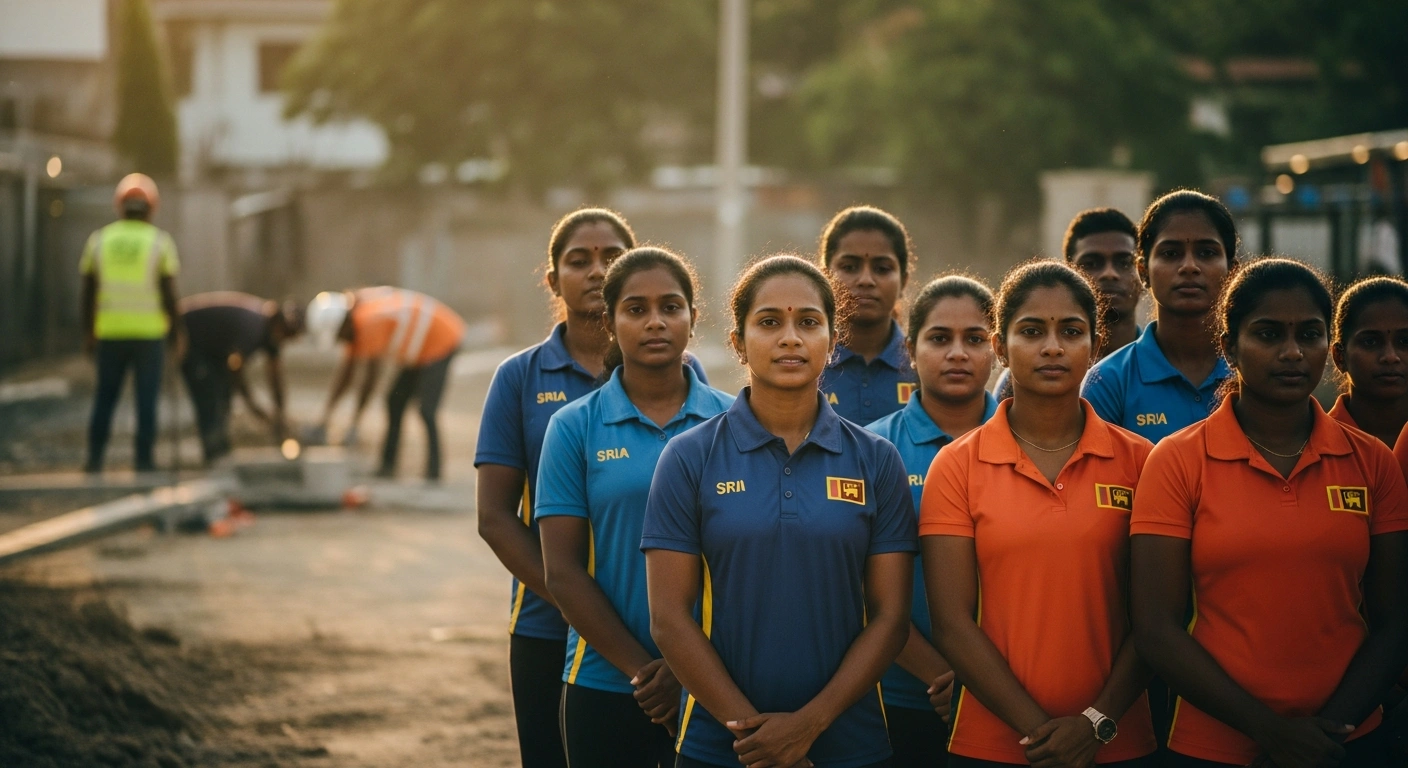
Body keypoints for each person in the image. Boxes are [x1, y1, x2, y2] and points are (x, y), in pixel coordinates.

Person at [1131, 258, 1408, 768]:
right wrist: (1270, 732)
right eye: (1267, 334)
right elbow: (1155, 626)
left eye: (1309, 334)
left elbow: (1394, 620)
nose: (1292, 352)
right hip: (1213, 747)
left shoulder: (1372, 463)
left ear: (1330, 346)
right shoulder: (1176, 460)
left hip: (1348, 743)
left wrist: (1327, 735)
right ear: (1230, 347)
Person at [644, 255, 916, 768]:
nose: (790, 337)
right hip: (720, 746)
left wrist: (807, 727)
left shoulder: (877, 460)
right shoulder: (689, 457)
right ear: (738, 341)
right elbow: (669, 620)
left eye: (808, 322)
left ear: (833, 340)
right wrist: (756, 739)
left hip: (848, 743)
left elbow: (891, 617)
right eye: (769, 322)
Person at [474, 210, 705, 768]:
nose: (596, 271)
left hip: (679, 640)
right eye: (579, 260)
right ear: (553, 280)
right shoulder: (521, 377)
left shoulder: (685, 378)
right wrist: (586, 601)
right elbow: (496, 517)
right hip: (551, 622)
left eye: (611, 259)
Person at [921, 260, 1158, 767]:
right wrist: (1043, 735)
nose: (1052, 347)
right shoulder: (957, 465)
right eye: (1032, 331)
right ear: (1000, 346)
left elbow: (1156, 619)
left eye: (1071, 332)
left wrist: (1094, 726)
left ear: (1094, 347)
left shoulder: (1142, 462)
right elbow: (952, 623)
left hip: (1119, 742)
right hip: (992, 745)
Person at [536, 248, 732, 768]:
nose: (655, 323)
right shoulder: (574, 427)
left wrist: (684, 667)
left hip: (722, 683)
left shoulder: (736, 421)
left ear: (693, 318)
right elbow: (562, 572)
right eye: (635, 309)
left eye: (671, 307)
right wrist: (646, 672)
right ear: (610, 320)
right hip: (606, 680)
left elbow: (751, 563)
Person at [865, 275, 998, 766]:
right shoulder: (871, 451)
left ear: (996, 348)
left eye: (975, 339)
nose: (958, 353)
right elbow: (860, 584)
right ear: (911, 350)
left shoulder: (1028, 446)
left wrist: (984, 681)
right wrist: (943, 675)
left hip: (1016, 698)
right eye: (940, 339)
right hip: (899, 698)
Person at [1082, 191, 1239, 444]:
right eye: (1170, 253)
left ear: (1232, 272)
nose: (1189, 266)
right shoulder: (1110, 382)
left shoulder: (1252, 373)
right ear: (1142, 272)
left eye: (1207, 252)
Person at [307, 286, 465, 480]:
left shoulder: (367, 323)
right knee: (394, 402)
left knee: (427, 410)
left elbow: (369, 380)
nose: (341, 341)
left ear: (342, 325)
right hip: (419, 349)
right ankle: (388, 465)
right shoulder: (358, 311)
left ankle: (434, 472)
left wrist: (355, 423)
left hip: (441, 341)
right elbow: (346, 375)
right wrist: (325, 417)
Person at [81, 174, 181, 474]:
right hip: (149, 335)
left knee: (105, 397)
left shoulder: (99, 241)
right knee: (146, 400)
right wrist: (177, 333)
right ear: (151, 208)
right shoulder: (159, 243)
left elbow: (87, 292)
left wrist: (88, 332)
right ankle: (144, 461)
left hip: (109, 333)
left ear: (120, 207)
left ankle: (95, 460)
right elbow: (169, 293)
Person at [993, 208, 1142, 399]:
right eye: (1091, 263)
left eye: (1124, 262)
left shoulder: (1163, 364)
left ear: (1143, 272)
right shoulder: (1018, 382)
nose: (1109, 273)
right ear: (1070, 274)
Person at [817, 206, 919, 424]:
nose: (865, 280)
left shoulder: (924, 364)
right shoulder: (806, 361)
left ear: (904, 281)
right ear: (825, 277)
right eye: (850, 266)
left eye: (882, 269)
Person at [178, 292, 303, 464]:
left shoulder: (270, 334)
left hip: (214, 351)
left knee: (224, 395)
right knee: (210, 397)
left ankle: (221, 451)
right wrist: (253, 405)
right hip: (192, 341)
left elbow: (275, 377)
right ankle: (213, 454)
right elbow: (235, 369)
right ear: (279, 325)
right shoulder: (253, 328)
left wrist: (280, 414)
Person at [1328, 277, 1408, 446]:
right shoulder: (1312, 445)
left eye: (1405, 341)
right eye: (1370, 342)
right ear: (1339, 357)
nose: (1390, 357)